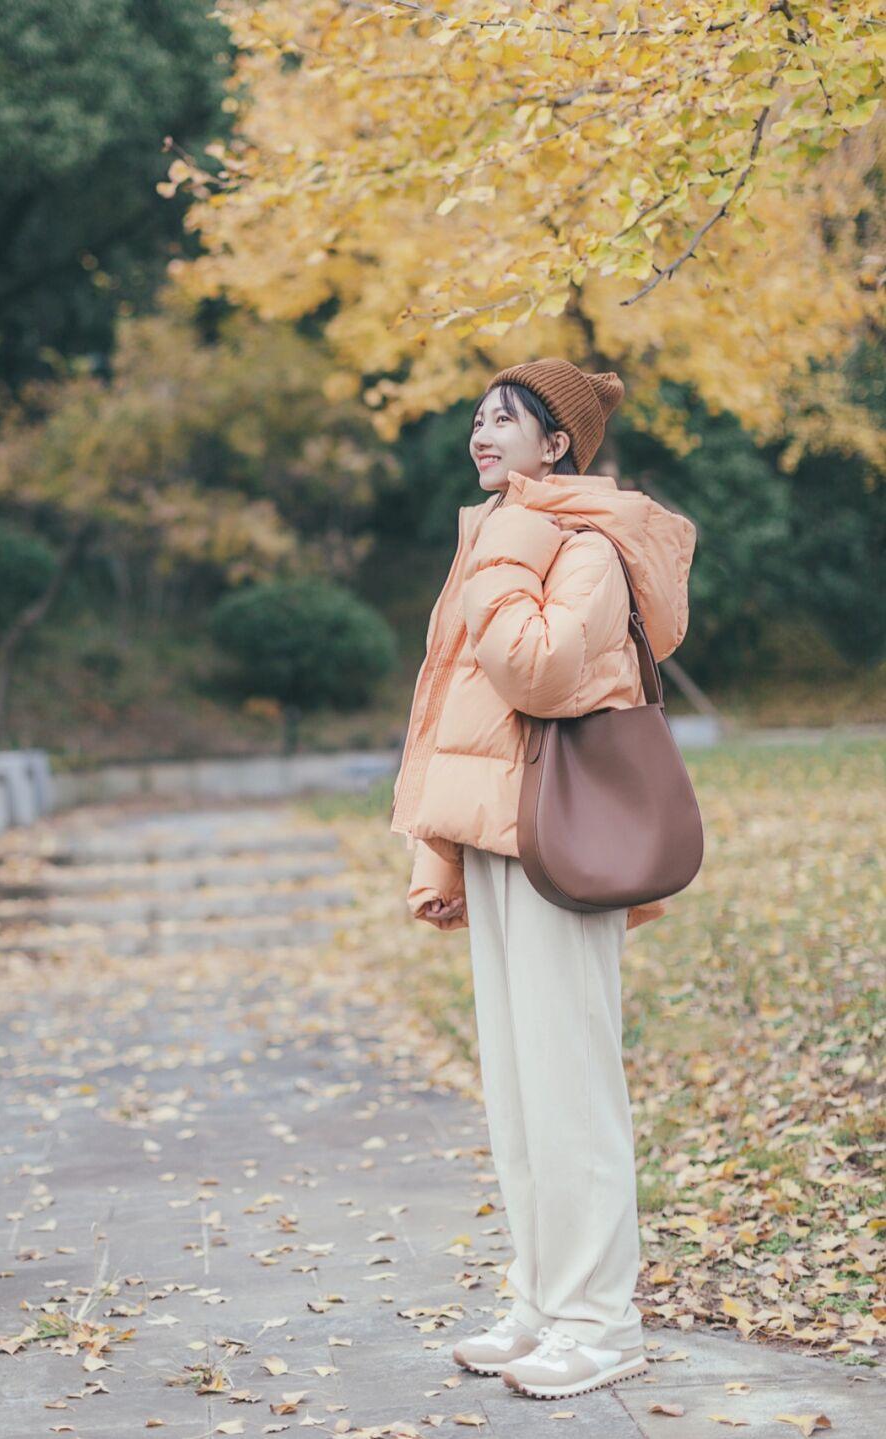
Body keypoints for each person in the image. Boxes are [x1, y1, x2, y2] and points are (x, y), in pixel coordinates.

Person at [389, 358, 697, 1401]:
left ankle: (602, 1318)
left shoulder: (582, 542)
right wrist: (440, 847)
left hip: (562, 837)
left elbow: (538, 668)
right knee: (521, 1092)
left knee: (571, 1087)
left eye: (504, 420)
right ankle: (541, 1299)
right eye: (475, 418)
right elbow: (452, 719)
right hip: (496, 832)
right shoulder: (505, 537)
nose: (480, 434)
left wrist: (504, 548)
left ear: (556, 442)